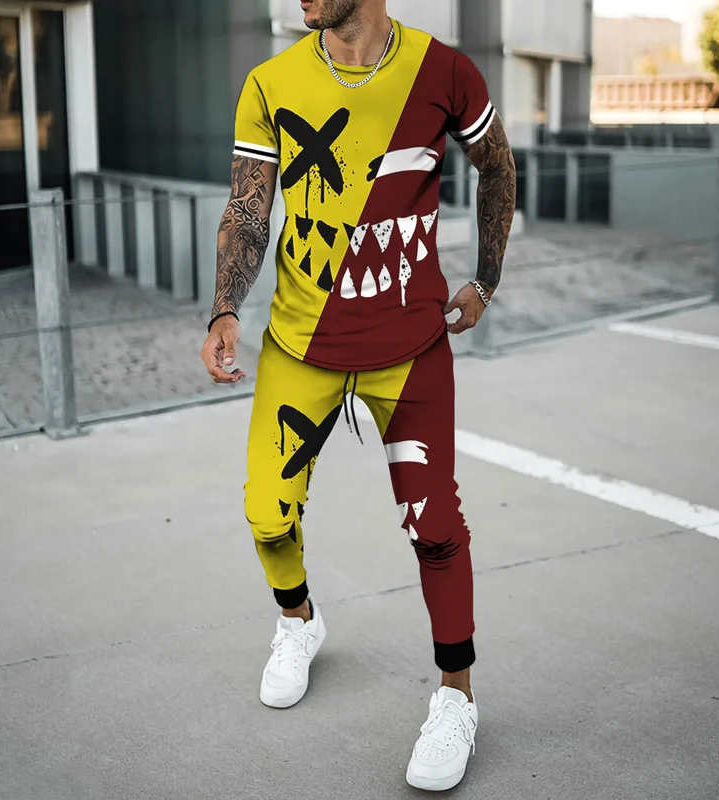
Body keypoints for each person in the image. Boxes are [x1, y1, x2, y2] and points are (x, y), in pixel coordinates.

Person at [200, 0, 516, 791]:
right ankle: (299, 623)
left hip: (409, 351)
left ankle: (456, 697)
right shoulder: (271, 83)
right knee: (267, 513)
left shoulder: (444, 71)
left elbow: (497, 165)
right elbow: (249, 208)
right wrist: (226, 306)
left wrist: (486, 280)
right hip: (300, 346)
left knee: (434, 527)